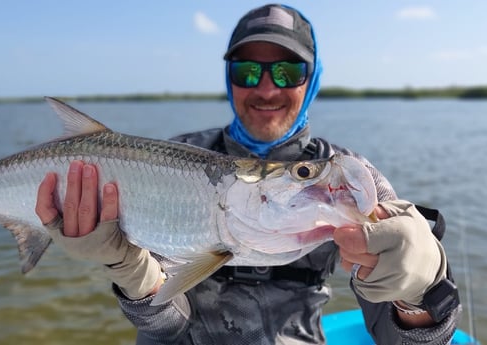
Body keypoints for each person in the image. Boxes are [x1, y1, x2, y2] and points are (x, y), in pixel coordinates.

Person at [36, 3, 461, 344]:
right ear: (229, 79)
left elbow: (405, 342)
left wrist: (420, 293)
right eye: (246, 71)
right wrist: (129, 270)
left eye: (287, 71)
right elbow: (165, 328)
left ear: (311, 81)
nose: (266, 89)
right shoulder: (178, 160)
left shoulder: (345, 180)